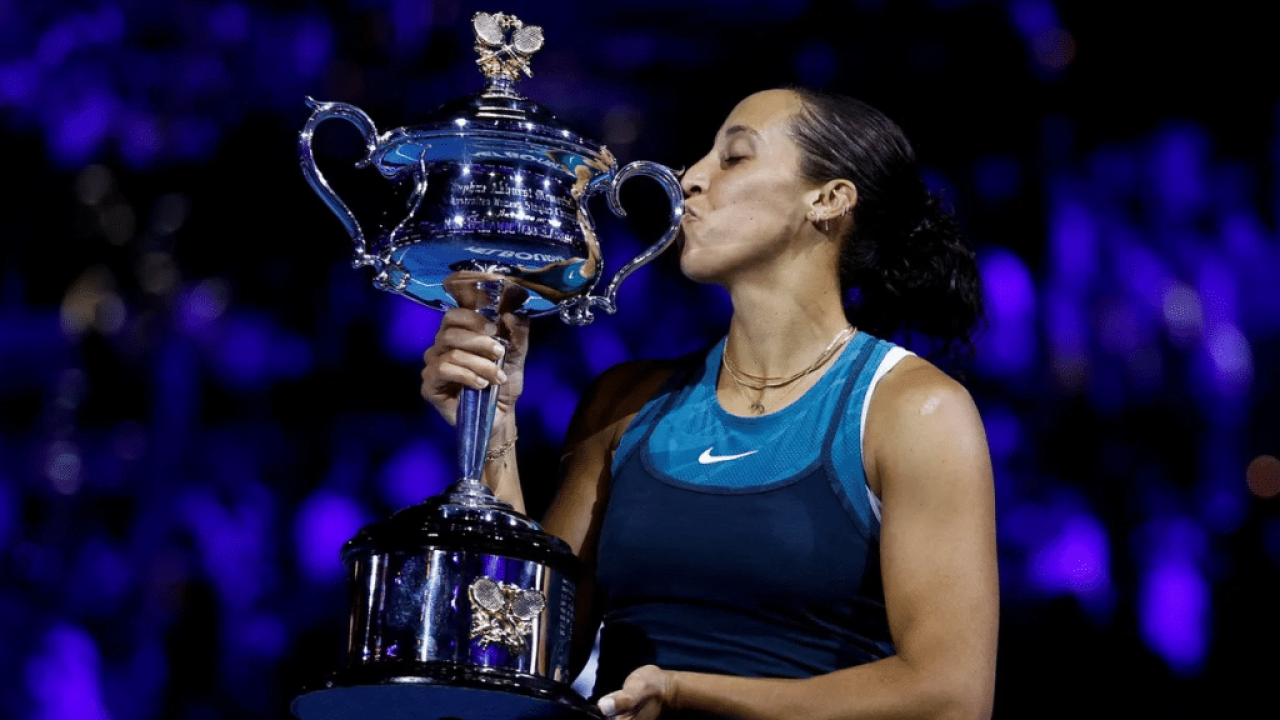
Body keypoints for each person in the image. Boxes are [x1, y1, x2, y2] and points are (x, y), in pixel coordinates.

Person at [421, 87, 998, 720]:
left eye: (734, 157)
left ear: (828, 200)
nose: (690, 178)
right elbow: (522, 651)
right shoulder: (624, 403)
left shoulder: (912, 410)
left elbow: (950, 696)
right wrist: (493, 423)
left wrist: (685, 689)